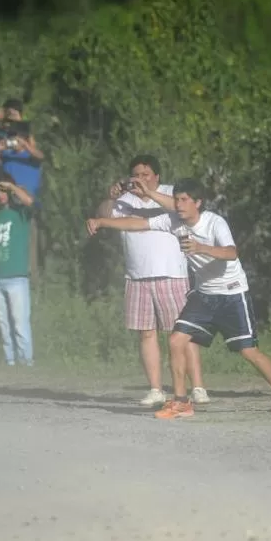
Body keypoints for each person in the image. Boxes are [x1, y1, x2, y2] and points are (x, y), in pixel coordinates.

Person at [86, 178, 271, 419]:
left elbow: (232, 252)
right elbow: (138, 224)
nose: (178, 204)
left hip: (232, 293)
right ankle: (181, 402)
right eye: (176, 199)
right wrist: (102, 221)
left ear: (198, 202)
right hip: (204, 294)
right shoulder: (172, 221)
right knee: (176, 340)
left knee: (248, 350)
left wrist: (201, 248)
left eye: (184, 200)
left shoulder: (214, 222)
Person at [94, 155, 206, 406]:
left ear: (157, 176)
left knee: (182, 333)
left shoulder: (171, 193)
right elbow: (102, 216)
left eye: (146, 174)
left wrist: (149, 193)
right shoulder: (124, 199)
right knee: (146, 334)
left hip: (171, 273)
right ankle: (156, 389)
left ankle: (197, 386)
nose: (140, 179)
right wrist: (111, 196)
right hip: (137, 275)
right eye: (136, 174)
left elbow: (181, 209)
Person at [0, 98, 44, 275]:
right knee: (3, 250)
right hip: (6, 207)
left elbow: (40, 155)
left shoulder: (31, 156)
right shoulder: (6, 153)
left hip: (26, 206)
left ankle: (32, 285)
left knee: (28, 255)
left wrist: (23, 140)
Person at [0, 173, 35, 366]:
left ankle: (26, 360)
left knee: (20, 321)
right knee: (3, 323)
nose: (0, 194)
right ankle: (10, 360)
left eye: (3, 190)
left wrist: (11, 186)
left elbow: (30, 201)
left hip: (17, 276)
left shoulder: (21, 212)